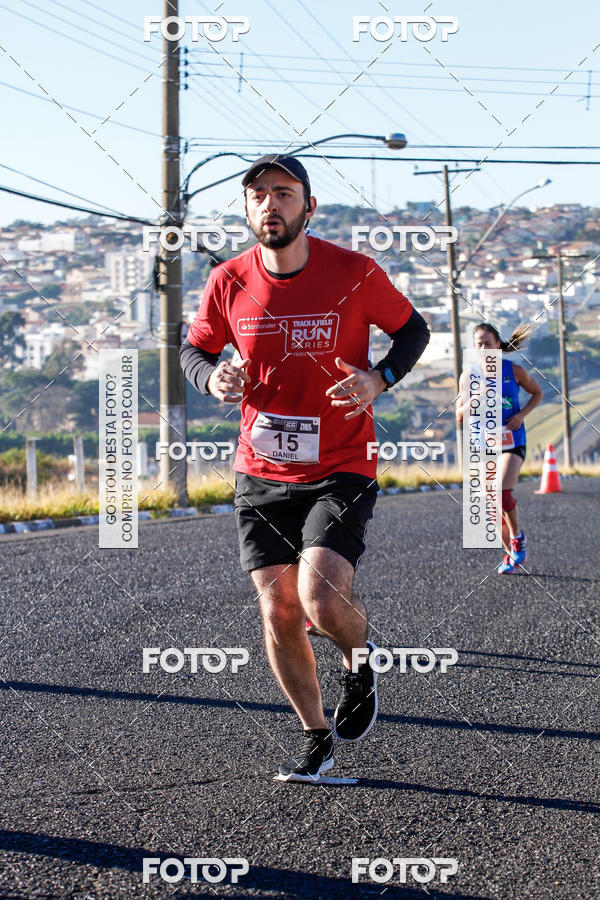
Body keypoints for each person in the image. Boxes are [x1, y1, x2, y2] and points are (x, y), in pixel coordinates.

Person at [180, 154, 430, 781]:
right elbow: (195, 348)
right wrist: (212, 377)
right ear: (245, 210)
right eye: (258, 194)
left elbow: (413, 331)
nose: (271, 204)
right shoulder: (227, 281)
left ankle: (360, 657)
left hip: (342, 460)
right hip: (261, 468)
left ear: (308, 207)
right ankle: (316, 737)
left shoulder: (354, 272)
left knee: (318, 597)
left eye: (285, 193)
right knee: (279, 611)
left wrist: (380, 378)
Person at [457, 323, 543, 574]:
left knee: (501, 495)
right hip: (485, 447)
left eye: (487, 343)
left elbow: (537, 393)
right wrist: (475, 398)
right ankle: (512, 554)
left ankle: (518, 538)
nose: (483, 348)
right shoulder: (469, 376)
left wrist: (522, 415)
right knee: (492, 508)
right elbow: (460, 416)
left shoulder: (514, 371)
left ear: (498, 345)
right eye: (478, 344)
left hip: (512, 441)